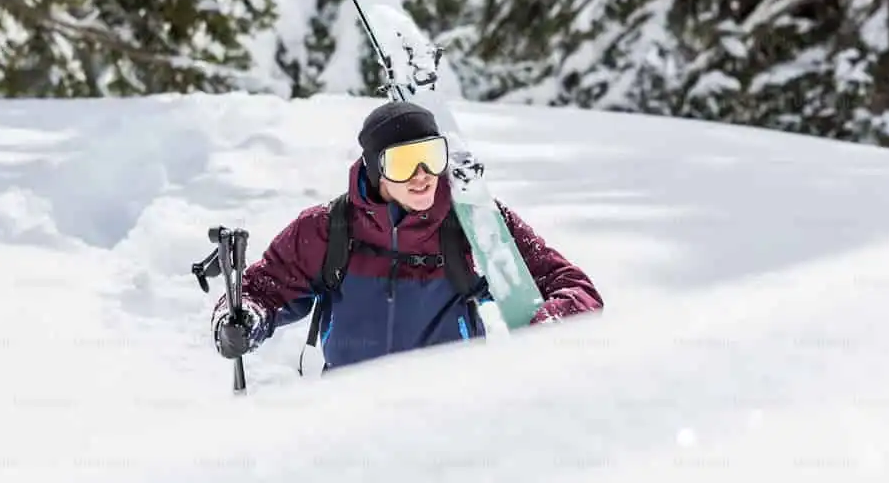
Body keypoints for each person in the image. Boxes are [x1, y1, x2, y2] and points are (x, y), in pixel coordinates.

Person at [209, 101, 603, 372]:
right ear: (375, 170)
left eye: (431, 156)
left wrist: (552, 322)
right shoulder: (327, 228)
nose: (421, 174)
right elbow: (261, 288)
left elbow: (571, 285)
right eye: (401, 162)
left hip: (450, 412)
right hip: (346, 411)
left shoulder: (474, 223)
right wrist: (242, 319)